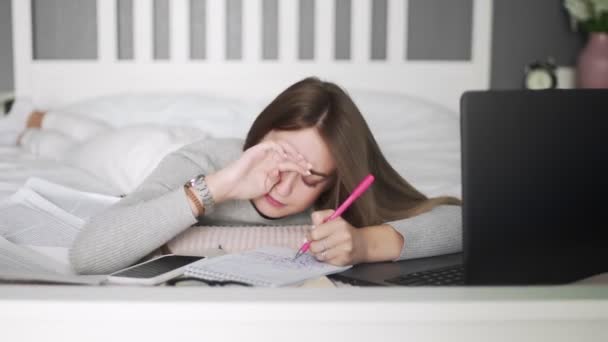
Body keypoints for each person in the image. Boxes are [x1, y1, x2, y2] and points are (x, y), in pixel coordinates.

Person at [27, 77, 461, 275]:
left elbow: (462, 221)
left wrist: (366, 244)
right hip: (128, 152)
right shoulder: (201, 161)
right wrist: (219, 187)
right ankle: (37, 124)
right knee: (69, 145)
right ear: (257, 137)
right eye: (278, 158)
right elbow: (87, 254)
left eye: (310, 177)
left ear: (333, 181)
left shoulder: (340, 195)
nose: (283, 187)